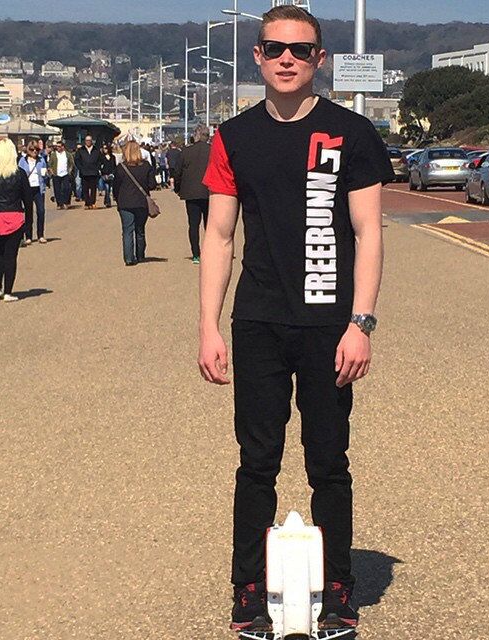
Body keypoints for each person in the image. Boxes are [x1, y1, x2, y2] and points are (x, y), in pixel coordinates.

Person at [199, 5, 394, 634]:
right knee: (257, 461)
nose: (288, 59)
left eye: (301, 49)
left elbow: (368, 233)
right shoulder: (233, 136)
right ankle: (249, 588)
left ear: (319, 58)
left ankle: (338, 587)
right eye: (275, 48)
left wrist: (361, 323)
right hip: (258, 321)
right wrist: (208, 326)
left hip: (329, 326)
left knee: (328, 462)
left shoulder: (351, 132)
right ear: (257, 55)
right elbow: (219, 236)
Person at [0, 139, 31, 301]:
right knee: (11, 256)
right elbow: (28, 201)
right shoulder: (20, 173)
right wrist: (28, 225)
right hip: (15, 217)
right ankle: (8, 292)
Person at [112, 141, 156, 266]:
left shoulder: (121, 167)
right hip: (141, 202)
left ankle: (129, 258)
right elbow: (152, 184)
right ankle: (140, 255)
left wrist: (117, 198)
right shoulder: (146, 166)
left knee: (127, 230)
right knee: (140, 230)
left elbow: (116, 187)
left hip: (125, 202)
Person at [174, 124, 211, 264]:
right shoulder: (212, 151)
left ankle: (196, 254)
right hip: (209, 192)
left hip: (191, 193)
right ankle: (210, 252)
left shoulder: (186, 152)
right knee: (210, 225)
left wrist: (178, 188)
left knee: (193, 225)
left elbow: (177, 172)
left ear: (196, 135)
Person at [18, 141, 48, 244]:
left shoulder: (41, 160)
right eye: (32, 149)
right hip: (27, 189)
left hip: (38, 188)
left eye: (37, 149)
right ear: (28, 150)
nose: (34, 151)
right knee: (28, 212)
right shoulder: (23, 161)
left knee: (41, 211)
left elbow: (44, 173)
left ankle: (41, 235)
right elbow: (19, 174)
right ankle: (28, 236)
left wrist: (46, 174)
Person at [75, 135, 101, 209]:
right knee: (85, 188)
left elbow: (100, 160)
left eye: (89, 140)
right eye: (87, 140)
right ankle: (87, 203)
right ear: (85, 141)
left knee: (93, 188)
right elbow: (77, 160)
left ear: (91, 141)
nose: (88, 142)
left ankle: (92, 203)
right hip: (84, 172)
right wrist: (81, 168)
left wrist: (97, 167)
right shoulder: (81, 150)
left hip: (94, 172)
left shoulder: (96, 150)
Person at [49, 140, 75, 209]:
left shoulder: (68, 154)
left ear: (63, 147)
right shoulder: (53, 155)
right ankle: (59, 204)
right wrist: (52, 172)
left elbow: (71, 163)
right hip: (56, 174)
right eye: (56, 146)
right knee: (57, 190)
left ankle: (66, 202)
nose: (57, 148)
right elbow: (50, 164)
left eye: (59, 146)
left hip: (65, 174)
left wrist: (69, 170)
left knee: (66, 188)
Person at [100, 143, 116, 208]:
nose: (105, 150)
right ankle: (108, 202)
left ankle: (106, 200)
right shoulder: (101, 157)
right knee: (107, 188)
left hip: (111, 175)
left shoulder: (113, 157)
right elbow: (100, 166)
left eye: (106, 148)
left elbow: (114, 166)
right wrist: (102, 172)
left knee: (109, 189)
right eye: (104, 148)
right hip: (105, 175)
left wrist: (113, 173)